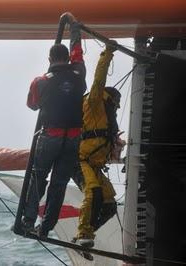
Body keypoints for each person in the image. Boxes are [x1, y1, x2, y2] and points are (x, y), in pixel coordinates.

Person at [21, 19, 86, 238]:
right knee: (59, 184)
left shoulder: (40, 81)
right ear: (67, 58)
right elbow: (78, 51)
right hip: (73, 138)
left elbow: (32, 105)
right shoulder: (79, 74)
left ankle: (29, 220)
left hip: (51, 136)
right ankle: (46, 227)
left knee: (38, 178)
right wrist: (74, 28)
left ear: (49, 59)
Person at [74, 42, 126, 249]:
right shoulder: (94, 102)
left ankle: (84, 235)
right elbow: (99, 78)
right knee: (93, 192)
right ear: (110, 99)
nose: (117, 108)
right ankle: (83, 232)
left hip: (94, 164)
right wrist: (108, 53)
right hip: (80, 159)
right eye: (117, 103)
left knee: (110, 204)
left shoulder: (107, 118)